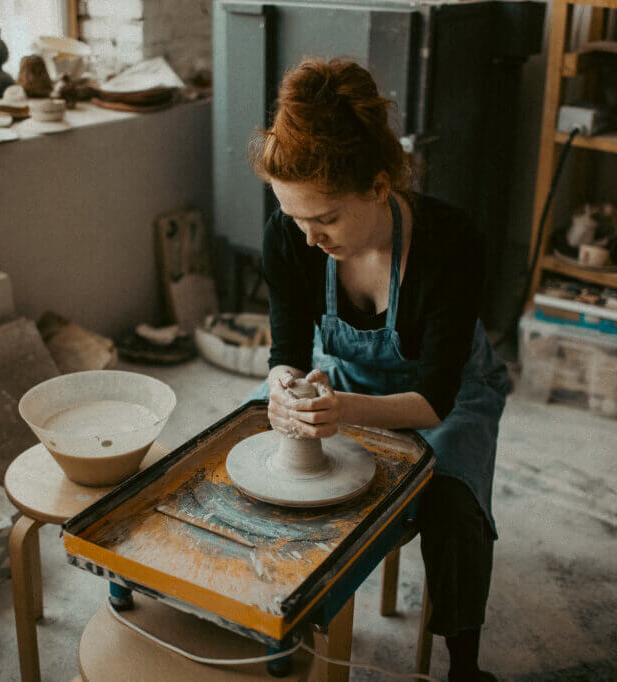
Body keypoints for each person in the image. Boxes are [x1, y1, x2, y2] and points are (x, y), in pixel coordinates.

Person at [245, 57, 512, 682]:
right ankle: (265, 615)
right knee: (244, 447)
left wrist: (341, 414)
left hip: (445, 394)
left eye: (326, 219)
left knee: (451, 505)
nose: (309, 238)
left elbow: (435, 401)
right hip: (343, 377)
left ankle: (464, 666)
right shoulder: (289, 238)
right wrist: (285, 390)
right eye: (294, 217)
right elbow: (288, 349)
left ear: (379, 184)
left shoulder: (452, 241)